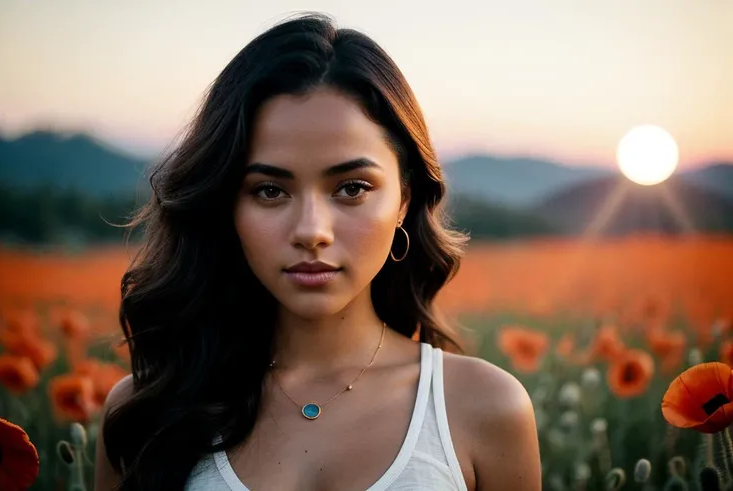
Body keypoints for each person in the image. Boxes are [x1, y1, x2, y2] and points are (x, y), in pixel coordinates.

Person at [94, 12, 541, 491]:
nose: (312, 231)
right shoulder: (145, 412)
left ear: (403, 202)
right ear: (227, 206)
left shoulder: (483, 408)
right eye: (269, 191)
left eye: (351, 188)